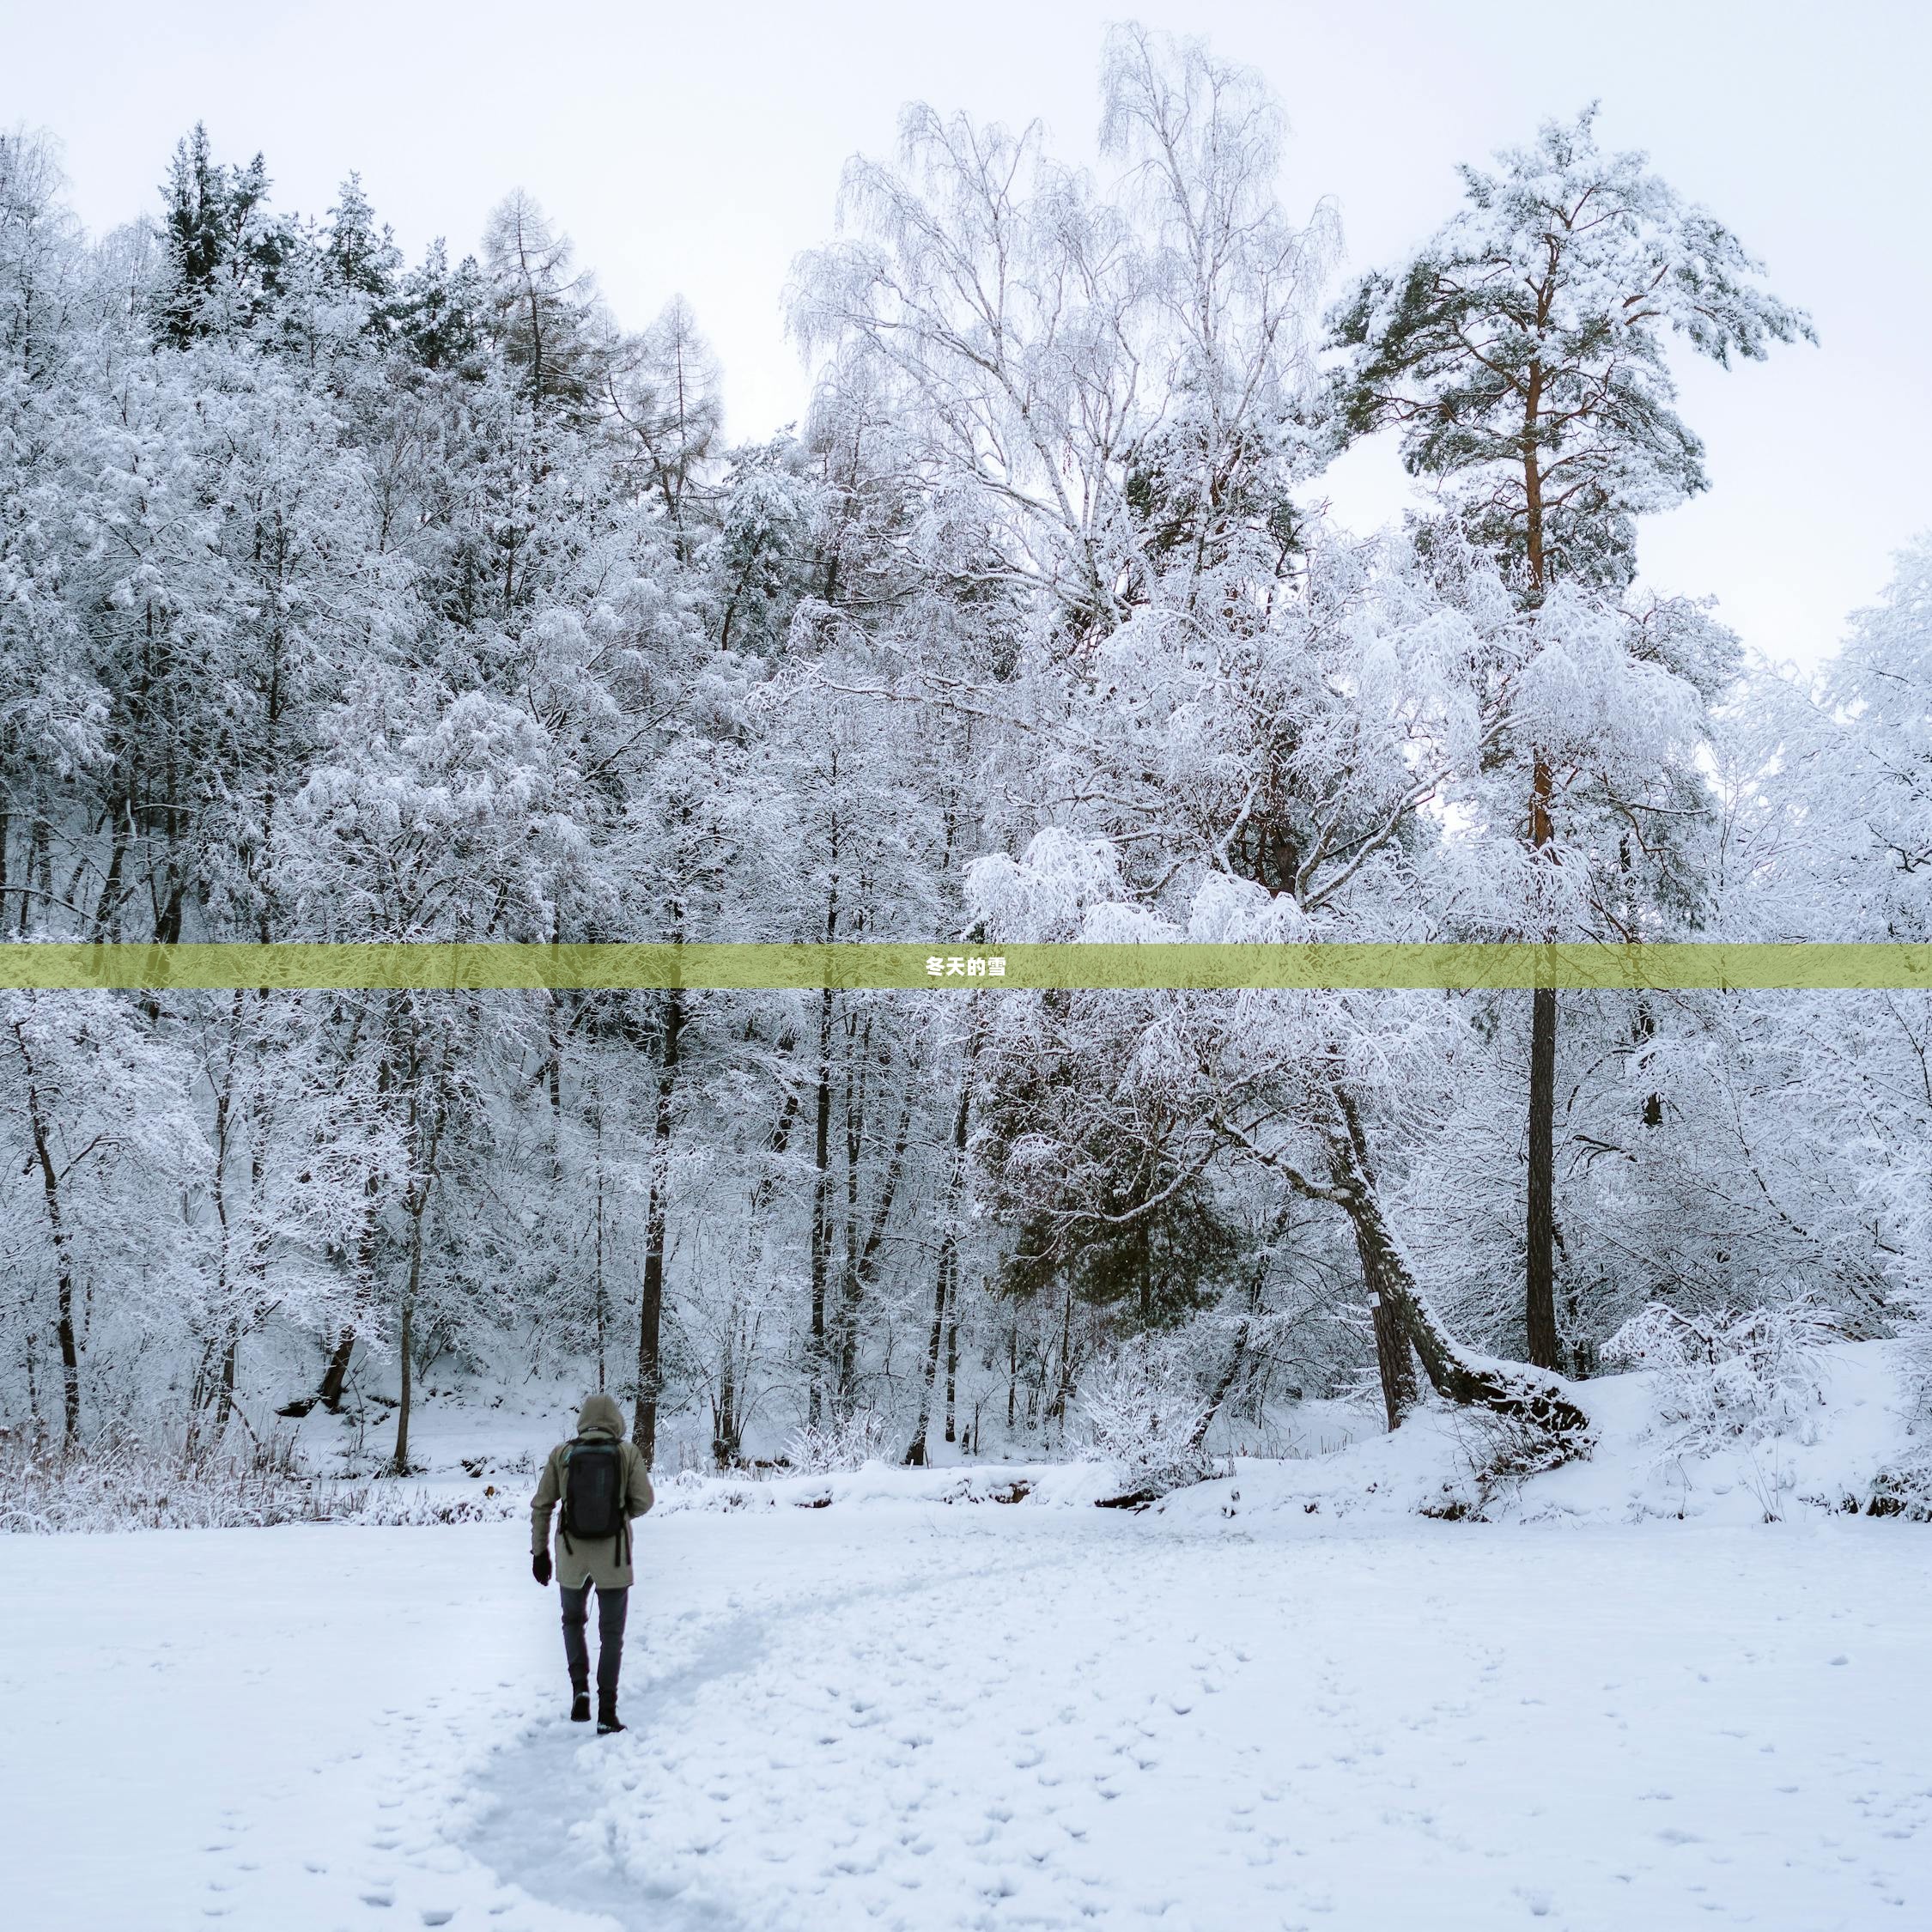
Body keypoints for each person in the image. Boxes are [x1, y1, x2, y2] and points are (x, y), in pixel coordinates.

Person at [529, 1393, 654, 1734]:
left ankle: (580, 1690)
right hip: (614, 1557)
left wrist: (540, 1553)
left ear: (582, 1420)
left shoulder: (563, 1454)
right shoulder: (627, 1452)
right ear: (616, 1421)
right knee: (611, 1635)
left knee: (572, 1621)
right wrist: (620, 1515)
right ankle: (607, 1712)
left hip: (571, 1555)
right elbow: (644, 1501)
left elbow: (542, 1505)